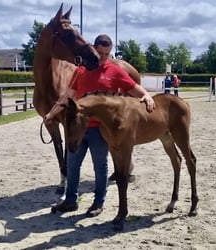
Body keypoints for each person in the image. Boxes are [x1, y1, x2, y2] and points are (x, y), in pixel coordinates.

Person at [44, 34, 155, 217]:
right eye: (101, 52)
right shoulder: (81, 71)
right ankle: (71, 200)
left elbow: (134, 87)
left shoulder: (115, 71)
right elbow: (68, 97)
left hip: (100, 128)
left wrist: (147, 95)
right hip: (79, 126)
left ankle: (98, 202)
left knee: (100, 166)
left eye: (107, 53)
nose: (104, 57)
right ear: (93, 49)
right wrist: (51, 114)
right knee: (72, 164)